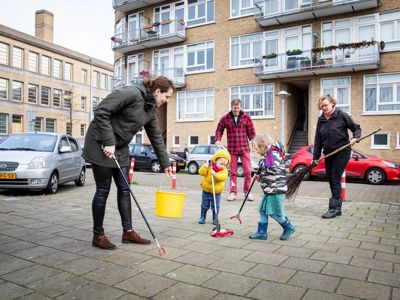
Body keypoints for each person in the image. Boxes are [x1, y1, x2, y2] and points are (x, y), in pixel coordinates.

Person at [83, 76, 174, 250]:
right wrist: (109, 141)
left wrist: (165, 163)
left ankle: (128, 231)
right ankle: (98, 235)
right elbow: (101, 111)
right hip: (100, 142)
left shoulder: (150, 108)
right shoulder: (131, 93)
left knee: (125, 189)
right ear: (157, 91)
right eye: (166, 96)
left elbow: (155, 136)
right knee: (103, 190)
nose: (166, 101)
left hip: (120, 147)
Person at [313, 94, 361, 219]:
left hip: (342, 151)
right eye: (321, 106)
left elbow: (356, 128)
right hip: (329, 153)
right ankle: (337, 207)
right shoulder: (321, 119)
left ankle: (333, 208)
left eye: (326, 105)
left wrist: (355, 137)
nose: (324, 108)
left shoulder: (342, 115)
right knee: (330, 178)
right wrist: (315, 157)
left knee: (335, 177)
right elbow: (318, 139)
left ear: (332, 103)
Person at [249, 134, 295, 241]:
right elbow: (270, 173)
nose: (255, 151)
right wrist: (260, 177)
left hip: (276, 189)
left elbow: (272, 168)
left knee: (274, 213)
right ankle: (262, 233)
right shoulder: (268, 154)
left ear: (263, 145)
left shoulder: (273, 152)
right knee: (263, 210)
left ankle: (288, 227)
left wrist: (260, 161)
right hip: (271, 189)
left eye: (256, 148)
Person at [215, 99, 256, 201]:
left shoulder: (246, 117)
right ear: (231, 107)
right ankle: (233, 192)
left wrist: (254, 141)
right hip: (232, 149)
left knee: (247, 171)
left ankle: (247, 192)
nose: (236, 110)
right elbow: (219, 130)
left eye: (238, 108)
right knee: (233, 172)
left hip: (244, 148)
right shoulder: (225, 118)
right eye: (235, 108)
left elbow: (251, 132)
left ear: (240, 107)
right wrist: (217, 140)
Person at [198, 149, 231, 225]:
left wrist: (216, 174)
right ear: (215, 161)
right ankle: (202, 216)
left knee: (215, 206)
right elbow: (201, 173)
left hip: (216, 192)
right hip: (206, 190)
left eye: (225, 165)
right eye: (221, 164)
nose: (223, 166)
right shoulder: (210, 167)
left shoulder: (224, 170)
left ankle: (215, 218)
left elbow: (223, 177)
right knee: (204, 205)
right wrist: (205, 167)